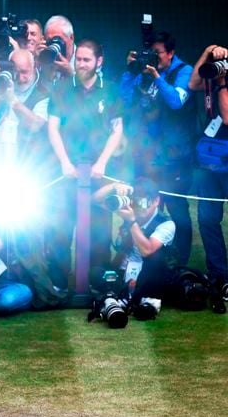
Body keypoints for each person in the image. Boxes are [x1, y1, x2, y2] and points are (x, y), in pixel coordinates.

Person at [46, 39, 124, 292]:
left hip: (98, 173)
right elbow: (52, 128)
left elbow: (117, 130)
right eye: (78, 59)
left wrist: (102, 162)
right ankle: (59, 284)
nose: (80, 64)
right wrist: (64, 162)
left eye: (86, 60)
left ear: (99, 61)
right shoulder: (62, 88)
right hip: (67, 173)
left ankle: (98, 284)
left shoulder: (110, 90)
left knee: (100, 232)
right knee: (60, 230)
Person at [120, 31, 195, 265]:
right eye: (150, 53)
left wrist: (157, 77)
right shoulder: (145, 71)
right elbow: (123, 99)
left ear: (171, 53)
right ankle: (136, 259)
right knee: (141, 204)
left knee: (177, 209)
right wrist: (131, 71)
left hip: (175, 156)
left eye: (158, 53)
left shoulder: (184, 71)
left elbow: (176, 102)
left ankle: (180, 264)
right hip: (148, 154)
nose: (153, 57)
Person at [91, 177, 177, 320]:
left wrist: (132, 222)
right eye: (137, 201)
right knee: (95, 272)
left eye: (145, 202)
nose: (140, 207)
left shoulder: (166, 224)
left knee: (156, 258)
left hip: (149, 278)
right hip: (125, 273)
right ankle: (123, 296)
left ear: (156, 201)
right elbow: (94, 200)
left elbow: (147, 250)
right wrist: (114, 186)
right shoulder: (129, 209)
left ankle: (143, 301)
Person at [188, 44, 228, 313]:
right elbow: (193, 83)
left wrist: (223, 83)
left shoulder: (221, 83)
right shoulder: (212, 77)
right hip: (209, 160)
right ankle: (219, 275)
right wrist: (207, 52)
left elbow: (227, 116)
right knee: (207, 218)